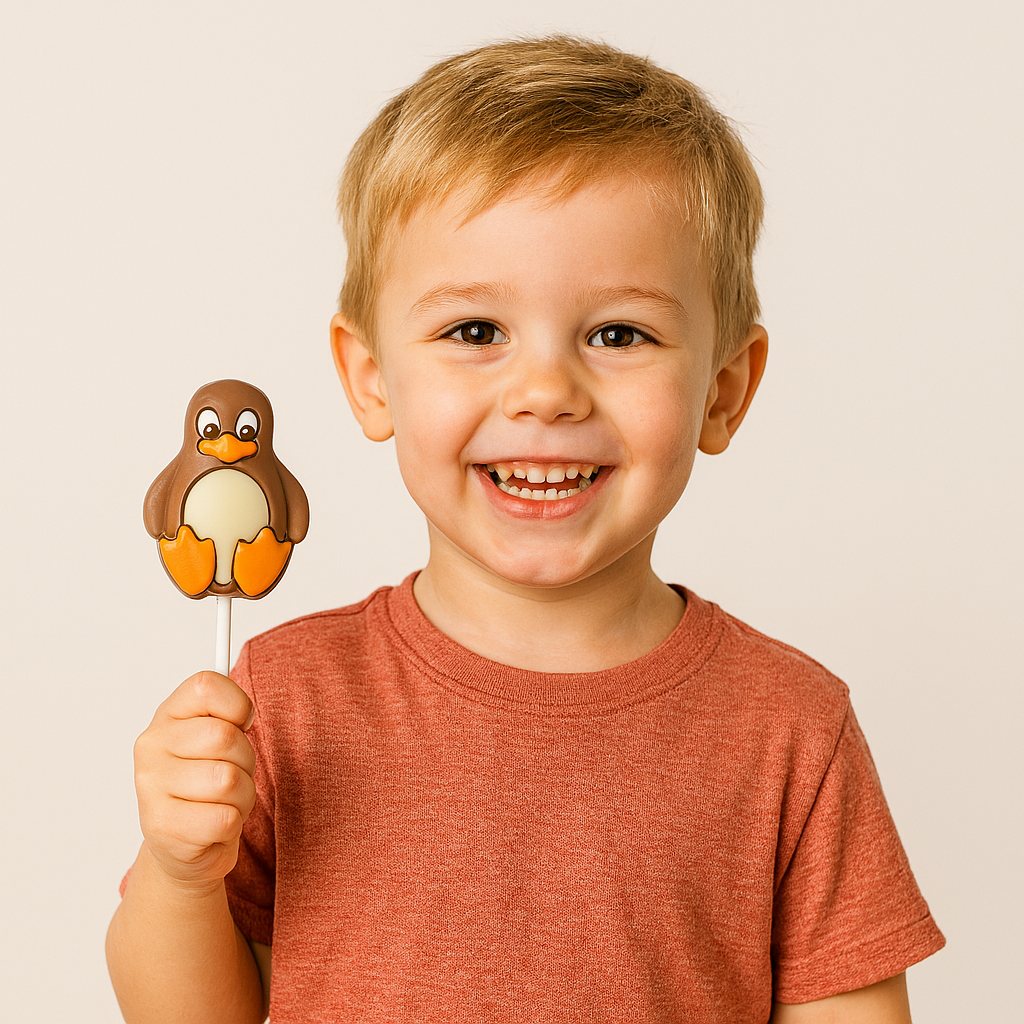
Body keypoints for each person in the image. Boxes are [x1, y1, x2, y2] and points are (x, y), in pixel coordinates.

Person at [106, 35, 945, 1024]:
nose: (545, 391)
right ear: (371, 379)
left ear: (724, 390)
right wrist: (179, 873)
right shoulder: (287, 699)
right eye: (475, 332)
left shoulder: (791, 728)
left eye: (618, 333)